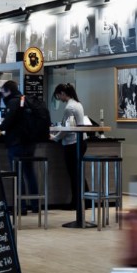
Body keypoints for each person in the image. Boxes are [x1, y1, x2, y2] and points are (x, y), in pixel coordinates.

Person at [0, 80, 47, 206]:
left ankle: (21, 207)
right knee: (30, 173)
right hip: (30, 143)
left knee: (17, 175)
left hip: (16, 143)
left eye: (3, 93)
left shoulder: (13, 102)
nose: (2, 96)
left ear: (8, 91)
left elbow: (8, 121)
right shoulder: (26, 100)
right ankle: (35, 205)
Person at [51, 83, 87, 216]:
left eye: (58, 95)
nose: (59, 98)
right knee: (78, 173)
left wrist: (55, 138)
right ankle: (85, 200)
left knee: (74, 174)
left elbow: (66, 129)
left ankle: (75, 202)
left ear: (62, 93)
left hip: (72, 143)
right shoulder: (78, 104)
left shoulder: (69, 107)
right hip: (81, 141)